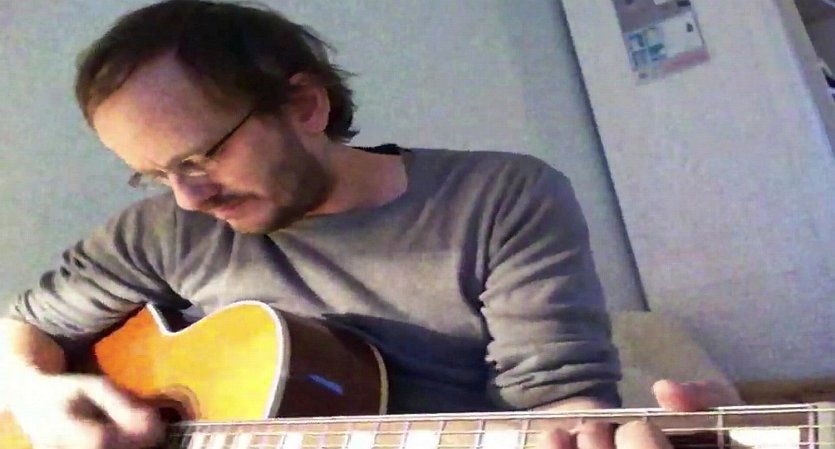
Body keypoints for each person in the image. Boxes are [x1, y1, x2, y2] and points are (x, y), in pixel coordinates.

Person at [0, 1, 741, 448]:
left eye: (200, 157)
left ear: (305, 106)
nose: (187, 198)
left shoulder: (499, 198)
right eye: (155, 174)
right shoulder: (159, 234)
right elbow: (21, 328)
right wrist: (33, 394)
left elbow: (557, 404)